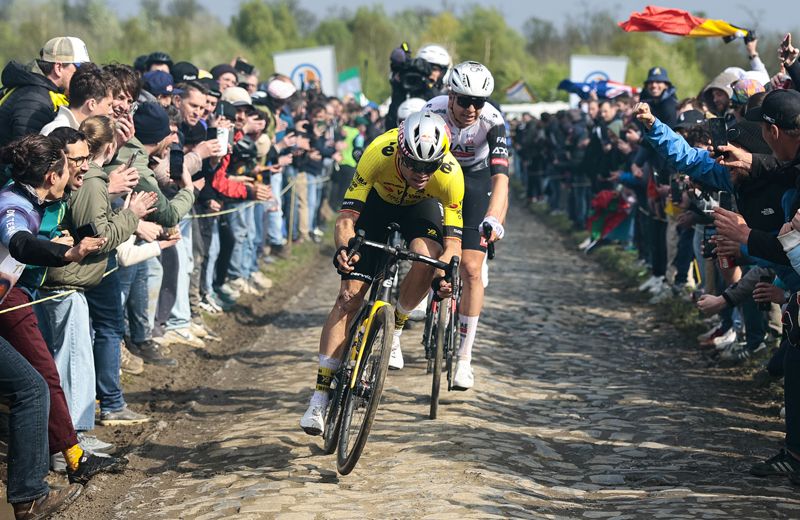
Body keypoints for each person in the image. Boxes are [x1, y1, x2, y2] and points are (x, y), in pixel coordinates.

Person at [300, 111, 464, 435]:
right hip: (378, 203)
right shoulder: (379, 151)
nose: (421, 172)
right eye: (414, 163)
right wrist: (345, 249)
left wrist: (445, 277)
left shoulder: (449, 175)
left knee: (428, 257)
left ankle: (397, 327)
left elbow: (453, 244)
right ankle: (319, 396)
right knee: (348, 297)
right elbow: (346, 217)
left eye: (428, 166)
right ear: (401, 152)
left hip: (422, 209)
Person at [0, 133, 128, 484]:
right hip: (8, 301)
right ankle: (70, 458)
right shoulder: (14, 204)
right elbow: (20, 243)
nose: (76, 173)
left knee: (34, 380)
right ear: (52, 176)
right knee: (41, 378)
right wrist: (65, 252)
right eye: (67, 167)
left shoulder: (34, 198)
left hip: (12, 295)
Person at [423, 61, 510, 390]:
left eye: (480, 101)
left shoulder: (492, 121)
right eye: (465, 101)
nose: (472, 109)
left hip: (475, 178)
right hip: (436, 173)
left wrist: (494, 218)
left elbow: (501, 178)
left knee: (472, 269)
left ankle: (464, 359)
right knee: (431, 250)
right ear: (450, 96)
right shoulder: (431, 111)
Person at [0, 36, 91, 146]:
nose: (84, 74)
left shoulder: (42, 91)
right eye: (80, 68)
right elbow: (24, 155)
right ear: (58, 68)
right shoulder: (35, 100)